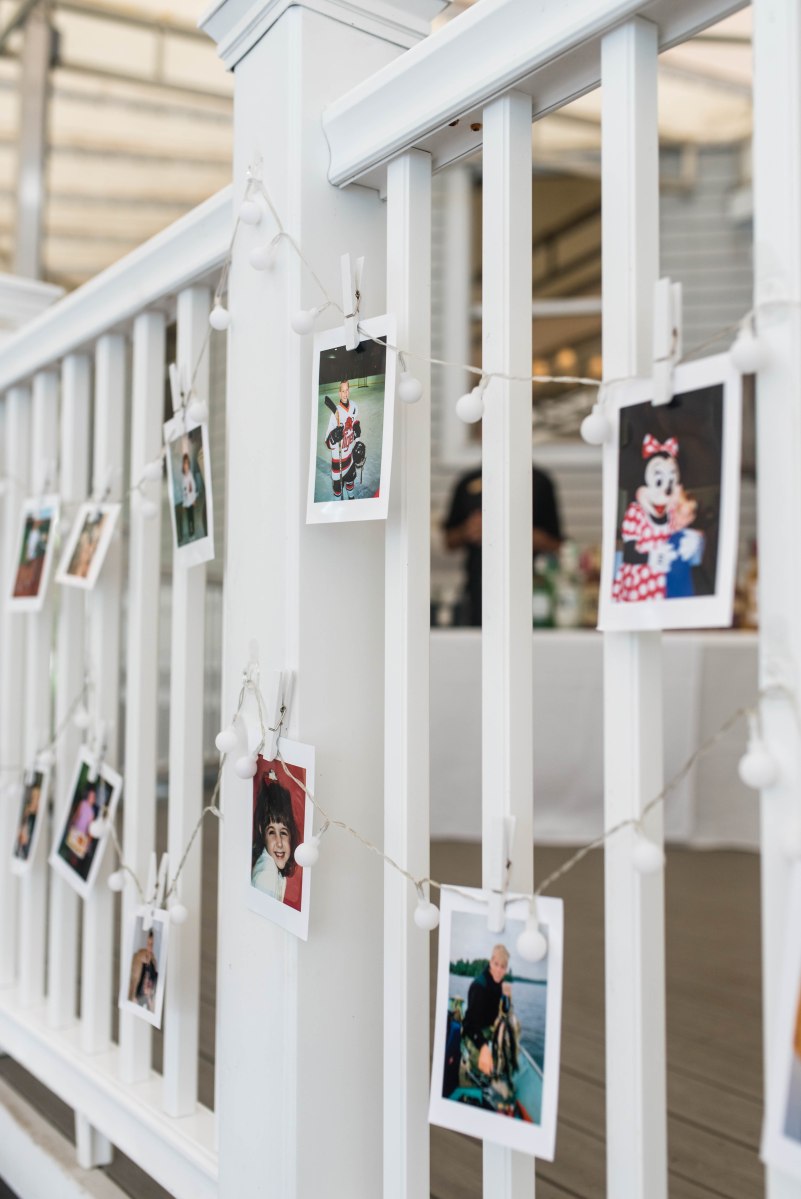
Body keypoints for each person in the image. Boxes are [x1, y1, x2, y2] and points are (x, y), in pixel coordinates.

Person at [443, 465, 563, 625]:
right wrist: (468, 529)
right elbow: (448, 541)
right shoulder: (468, 481)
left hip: (530, 588)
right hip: (478, 588)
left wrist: (511, 528)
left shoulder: (539, 481)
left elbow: (558, 545)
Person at [462, 944, 513, 1076]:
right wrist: (483, 1046)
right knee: (483, 1066)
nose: (499, 970)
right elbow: (470, 1024)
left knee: (510, 1045)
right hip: (473, 1030)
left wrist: (507, 998)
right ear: (491, 962)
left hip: (490, 1027)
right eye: (496, 964)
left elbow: (505, 1012)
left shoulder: (501, 985)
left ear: (506, 968)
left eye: (503, 967)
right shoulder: (478, 986)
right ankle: (472, 1071)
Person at [251, 774, 301, 903]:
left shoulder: (272, 868)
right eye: (272, 832)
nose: (279, 842)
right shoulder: (266, 876)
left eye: (283, 833)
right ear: (262, 831)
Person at [324, 379, 361, 499]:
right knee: (337, 491)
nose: (345, 393)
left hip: (350, 458)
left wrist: (358, 442)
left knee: (350, 483)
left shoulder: (354, 406)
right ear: (339, 393)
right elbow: (327, 441)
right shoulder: (335, 414)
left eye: (347, 390)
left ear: (349, 391)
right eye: (342, 391)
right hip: (338, 462)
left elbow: (356, 426)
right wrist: (333, 437)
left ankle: (351, 500)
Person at [128, 929, 159, 1013]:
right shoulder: (137, 958)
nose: (150, 948)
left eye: (152, 944)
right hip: (137, 998)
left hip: (147, 1001)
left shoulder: (153, 963)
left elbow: (154, 985)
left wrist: (150, 995)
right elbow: (133, 982)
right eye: (148, 944)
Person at [180, 452, 197, 540]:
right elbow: (183, 491)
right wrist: (183, 503)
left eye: (187, 463)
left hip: (191, 500)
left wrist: (193, 499)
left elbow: (193, 487)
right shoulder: (183, 477)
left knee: (191, 517)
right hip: (186, 501)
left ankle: (192, 531)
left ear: (188, 464)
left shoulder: (190, 475)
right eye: (184, 463)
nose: (186, 465)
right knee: (188, 517)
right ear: (183, 465)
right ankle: (190, 531)